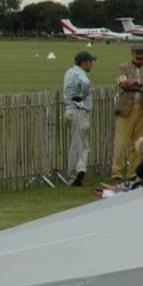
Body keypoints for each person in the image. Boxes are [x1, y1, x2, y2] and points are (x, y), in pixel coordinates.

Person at [110, 43, 143, 183]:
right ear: (132, 54)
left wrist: (135, 81)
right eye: (137, 53)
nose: (139, 56)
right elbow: (122, 84)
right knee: (120, 142)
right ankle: (116, 172)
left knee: (139, 143)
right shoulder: (123, 67)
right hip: (127, 109)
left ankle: (133, 173)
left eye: (141, 53)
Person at [63, 50, 96, 186]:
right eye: (90, 62)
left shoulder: (69, 72)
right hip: (79, 112)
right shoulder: (80, 74)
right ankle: (77, 173)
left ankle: (75, 175)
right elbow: (86, 83)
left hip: (69, 111)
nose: (92, 64)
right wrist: (82, 95)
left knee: (77, 145)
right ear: (84, 63)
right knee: (81, 146)